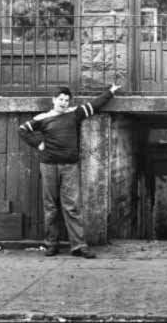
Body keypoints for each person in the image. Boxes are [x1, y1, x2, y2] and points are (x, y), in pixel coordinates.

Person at [18, 83, 120, 258]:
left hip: (70, 167)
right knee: (50, 207)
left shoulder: (74, 114)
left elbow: (95, 105)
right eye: (60, 99)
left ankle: (79, 246)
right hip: (49, 166)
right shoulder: (43, 118)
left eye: (66, 100)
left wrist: (110, 92)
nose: (64, 102)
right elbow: (22, 130)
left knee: (72, 207)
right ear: (54, 100)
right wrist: (38, 143)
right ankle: (51, 245)